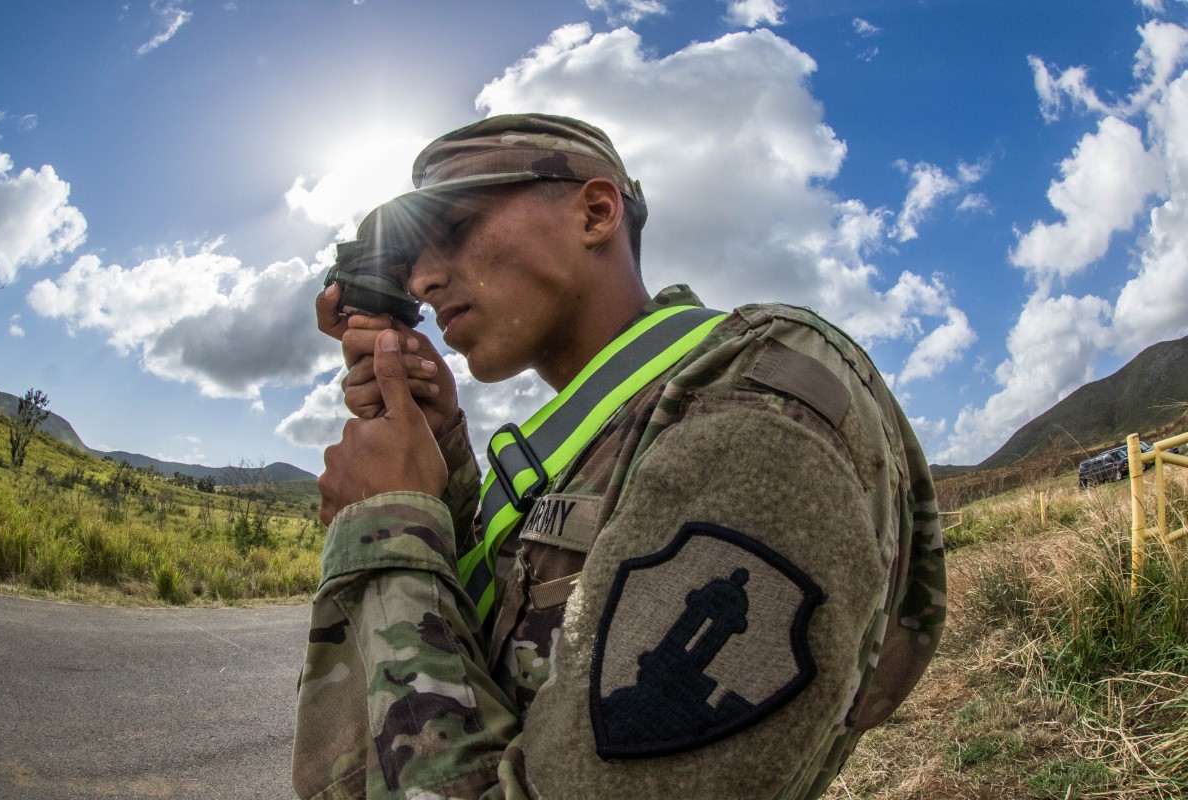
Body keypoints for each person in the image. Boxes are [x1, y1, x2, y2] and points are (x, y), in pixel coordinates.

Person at [293, 113, 946, 800]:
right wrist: (435, 453)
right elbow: (497, 665)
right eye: (409, 262)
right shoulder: (598, 447)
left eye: (454, 232)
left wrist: (388, 528)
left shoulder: (755, 399)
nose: (424, 279)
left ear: (597, 212)